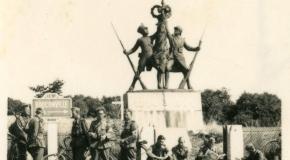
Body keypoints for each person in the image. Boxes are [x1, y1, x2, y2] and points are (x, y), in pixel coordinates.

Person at [166, 25, 201, 89]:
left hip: (180, 57)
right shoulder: (171, 38)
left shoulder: (183, 39)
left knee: (186, 71)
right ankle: (166, 86)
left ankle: (188, 84)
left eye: (176, 30)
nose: (175, 31)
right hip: (172, 57)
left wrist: (195, 49)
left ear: (179, 31)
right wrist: (165, 22)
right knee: (167, 68)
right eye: (174, 30)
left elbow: (188, 47)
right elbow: (167, 32)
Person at [124, 23, 154, 91]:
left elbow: (159, 32)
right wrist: (127, 52)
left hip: (152, 57)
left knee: (160, 67)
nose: (147, 29)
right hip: (144, 57)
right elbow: (134, 49)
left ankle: (161, 85)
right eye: (145, 28)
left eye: (147, 28)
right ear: (141, 31)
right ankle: (132, 85)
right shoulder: (140, 40)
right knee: (138, 72)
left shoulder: (151, 37)